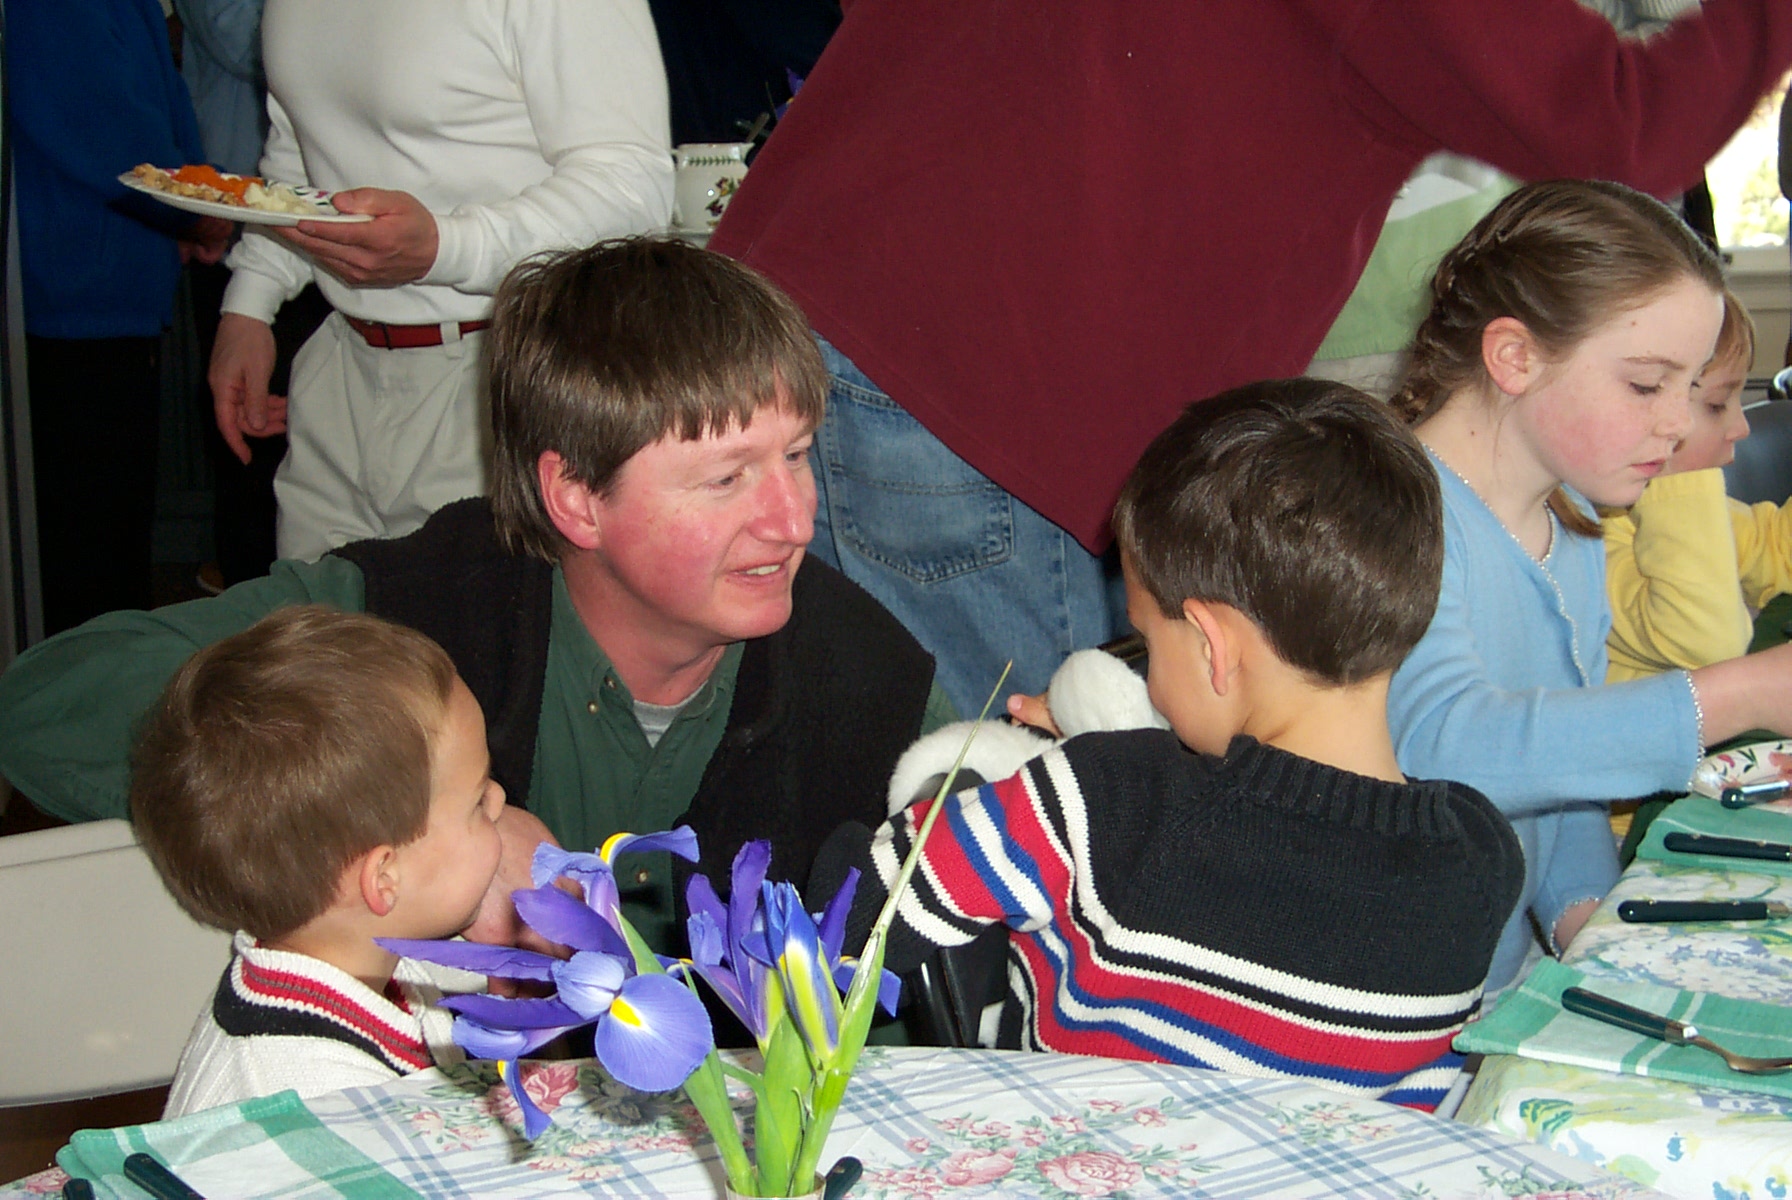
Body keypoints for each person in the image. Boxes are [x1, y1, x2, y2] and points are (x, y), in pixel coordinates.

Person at [710, 0, 1792, 716]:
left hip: (840, 308)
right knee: (1046, 824)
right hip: (967, 376)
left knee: (921, 790)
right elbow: (1615, 122)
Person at [0, 238, 949, 954]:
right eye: (728, 478)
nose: (794, 519)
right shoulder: (420, 603)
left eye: (796, 455)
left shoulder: (869, 680)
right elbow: (43, 703)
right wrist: (432, 825)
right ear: (576, 497)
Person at [813, 379, 1525, 1112]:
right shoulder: (1480, 860)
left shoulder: (1108, 802)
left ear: (1214, 646)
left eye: (1148, 641)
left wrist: (1047, 788)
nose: (1149, 677)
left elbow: (854, 920)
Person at [1386, 179, 1792, 993]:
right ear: (1515, 357)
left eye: (1690, 388)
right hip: (1382, 1002)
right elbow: (1445, 746)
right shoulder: (1391, 514)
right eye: (1646, 385)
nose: (1678, 423)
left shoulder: (1570, 528)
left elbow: (1565, 791)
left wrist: (1601, 936)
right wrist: (1740, 693)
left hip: (1495, 980)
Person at [209, 0, 674, 563]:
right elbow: (299, 150)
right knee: (316, 619)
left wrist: (445, 246)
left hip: (512, 369)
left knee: (487, 620)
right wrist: (250, 302)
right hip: (337, 369)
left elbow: (633, 187)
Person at [135, 607, 497, 1116]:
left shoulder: (374, 958)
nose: (501, 803)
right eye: (478, 802)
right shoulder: (318, 1104)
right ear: (384, 878)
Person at [8, 0, 231, 635]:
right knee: (90, 559)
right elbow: (107, 132)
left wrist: (193, 208)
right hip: (74, 297)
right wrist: (200, 210)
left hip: (109, 285)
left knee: (111, 538)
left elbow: (158, 103)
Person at [1603, 291, 1792, 681]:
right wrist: (1673, 474)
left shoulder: (1688, 510)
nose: (1741, 427)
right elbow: (1706, 644)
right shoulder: (1582, 540)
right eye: (1718, 404)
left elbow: (1774, 550)